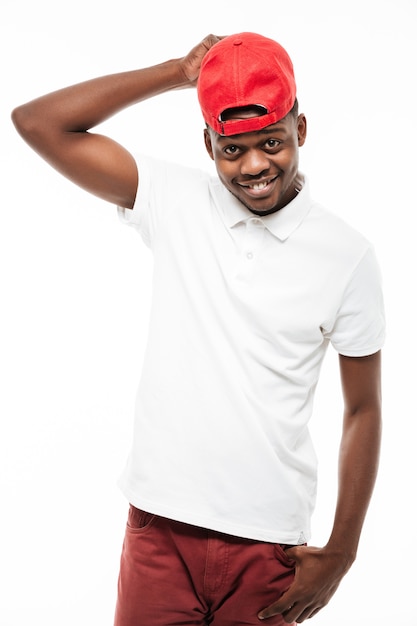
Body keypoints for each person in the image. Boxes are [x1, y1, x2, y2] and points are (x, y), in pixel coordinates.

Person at [12, 32, 385, 626]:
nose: (255, 165)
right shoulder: (173, 200)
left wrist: (342, 550)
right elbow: (38, 123)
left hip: (270, 546)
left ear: (302, 131)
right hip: (160, 530)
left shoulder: (347, 256)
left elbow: (362, 409)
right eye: (231, 149)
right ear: (208, 143)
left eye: (272, 142)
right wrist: (175, 72)